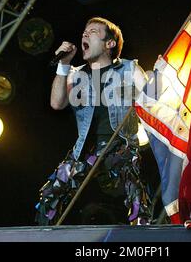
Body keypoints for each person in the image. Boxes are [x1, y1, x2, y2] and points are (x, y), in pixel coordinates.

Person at [35, 17, 152, 225]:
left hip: (119, 146)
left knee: (134, 193)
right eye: (84, 33)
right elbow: (56, 103)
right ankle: (40, 238)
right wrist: (63, 64)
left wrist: (155, 80)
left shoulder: (129, 69)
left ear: (110, 43)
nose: (85, 35)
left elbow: (152, 102)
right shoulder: (75, 74)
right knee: (50, 193)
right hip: (85, 150)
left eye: (93, 32)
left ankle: (143, 235)